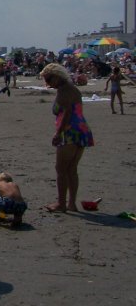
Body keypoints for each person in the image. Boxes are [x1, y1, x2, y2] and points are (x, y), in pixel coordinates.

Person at [40, 63, 94, 213]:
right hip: (81, 130)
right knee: (72, 169)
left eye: (49, 79)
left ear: (57, 77)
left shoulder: (64, 91)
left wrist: (58, 133)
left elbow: (67, 113)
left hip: (69, 131)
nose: (47, 83)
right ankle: (71, 203)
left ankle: (61, 204)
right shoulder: (72, 88)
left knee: (61, 169)